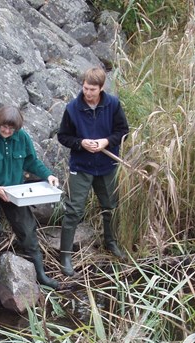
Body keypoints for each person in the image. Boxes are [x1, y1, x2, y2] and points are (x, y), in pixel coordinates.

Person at [0, 105, 60, 290]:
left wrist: (48, 174)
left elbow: (31, 161)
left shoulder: (22, 138)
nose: (7, 131)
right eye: (4, 127)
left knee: (26, 225)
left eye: (11, 129)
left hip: (14, 190)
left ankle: (40, 272)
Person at [57, 67, 130, 276]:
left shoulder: (113, 105)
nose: (87, 93)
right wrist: (81, 143)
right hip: (81, 166)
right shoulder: (72, 108)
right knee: (73, 210)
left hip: (107, 166)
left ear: (101, 88)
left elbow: (123, 131)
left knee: (110, 206)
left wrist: (105, 141)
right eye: (85, 88)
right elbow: (63, 137)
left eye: (92, 89)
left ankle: (111, 243)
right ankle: (65, 256)